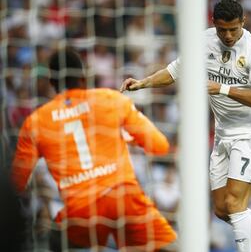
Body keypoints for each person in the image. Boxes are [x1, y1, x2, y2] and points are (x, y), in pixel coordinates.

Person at [120, 0, 251, 252]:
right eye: (222, 29)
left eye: (233, 29)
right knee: (222, 210)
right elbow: (174, 71)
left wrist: (221, 88)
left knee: (235, 205)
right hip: (223, 134)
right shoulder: (203, 41)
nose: (227, 35)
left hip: (249, 134)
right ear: (213, 23)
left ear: (243, 23)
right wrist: (143, 82)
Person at [11, 48, 177, 251]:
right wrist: (126, 137)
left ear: (52, 83)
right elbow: (160, 146)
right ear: (83, 77)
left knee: (54, 241)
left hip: (81, 211)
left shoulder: (35, 122)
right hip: (123, 199)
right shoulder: (111, 99)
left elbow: (17, 182)